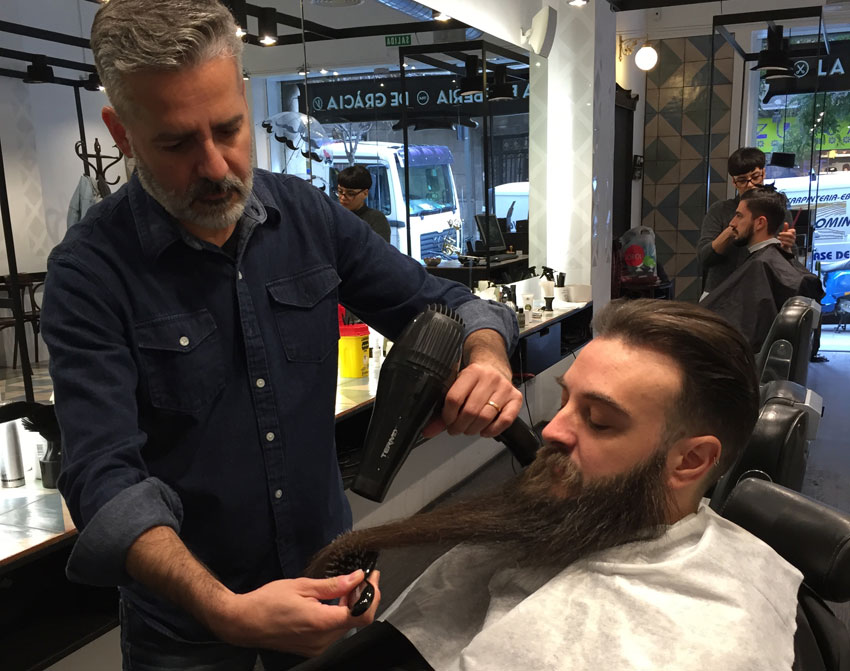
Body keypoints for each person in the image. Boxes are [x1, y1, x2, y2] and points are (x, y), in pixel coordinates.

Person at [40, 1, 521, 669]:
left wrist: (487, 357)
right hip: (188, 629)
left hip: (325, 576)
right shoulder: (89, 273)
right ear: (121, 132)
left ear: (244, 96)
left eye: (229, 129)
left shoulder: (307, 216)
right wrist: (223, 608)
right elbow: (103, 477)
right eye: (176, 143)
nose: (216, 167)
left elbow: (449, 303)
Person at [298, 299, 802, 671]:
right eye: (564, 401)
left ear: (690, 461)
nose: (553, 430)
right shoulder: (578, 515)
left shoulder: (700, 647)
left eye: (598, 420)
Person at [701, 186, 824, 352]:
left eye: (739, 216)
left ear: (760, 223)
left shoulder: (762, 265)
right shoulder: (769, 261)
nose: (732, 223)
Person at [698, 147, 796, 296]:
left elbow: (791, 264)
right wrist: (732, 229)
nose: (750, 184)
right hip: (720, 291)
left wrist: (787, 248)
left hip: (762, 291)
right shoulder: (720, 210)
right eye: (742, 180)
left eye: (755, 177)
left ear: (763, 173)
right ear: (734, 181)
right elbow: (704, 258)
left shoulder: (778, 212)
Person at [335, 165, 391, 243]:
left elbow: (380, 249)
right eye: (340, 191)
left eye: (350, 194)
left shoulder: (376, 219)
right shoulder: (334, 215)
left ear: (365, 193)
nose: (343, 197)